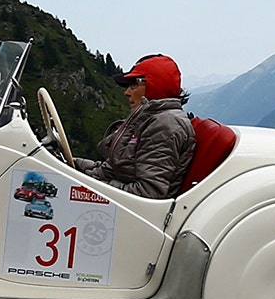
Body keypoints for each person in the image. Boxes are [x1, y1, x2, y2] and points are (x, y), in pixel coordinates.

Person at [73, 54, 196, 199]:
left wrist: (94, 185)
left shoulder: (165, 125)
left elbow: (148, 192)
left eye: (133, 84)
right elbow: (110, 170)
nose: (127, 92)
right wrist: (74, 164)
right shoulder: (147, 119)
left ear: (155, 85)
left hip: (131, 210)